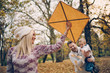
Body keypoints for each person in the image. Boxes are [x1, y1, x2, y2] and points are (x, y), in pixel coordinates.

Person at [7, 21, 72, 73]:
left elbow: (56, 46)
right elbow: (9, 70)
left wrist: (66, 31)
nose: (35, 37)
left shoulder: (37, 49)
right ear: (26, 36)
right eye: (33, 35)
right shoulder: (12, 50)